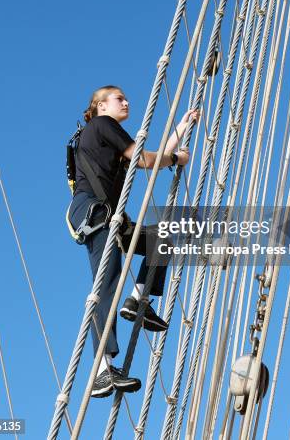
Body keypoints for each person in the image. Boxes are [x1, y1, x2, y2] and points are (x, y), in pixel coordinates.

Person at [68, 85, 198, 398]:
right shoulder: (103, 125)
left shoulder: (108, 140)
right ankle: (102, 372)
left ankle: (139, 299)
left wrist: (182, 126)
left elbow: (151, 158)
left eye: (127, 97)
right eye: (118, 98)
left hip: (113, 216)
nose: (127, 101)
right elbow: (150, 161)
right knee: (107, 283)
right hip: (95, 214)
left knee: (162, 237)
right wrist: (178, 158)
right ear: (100, 106)